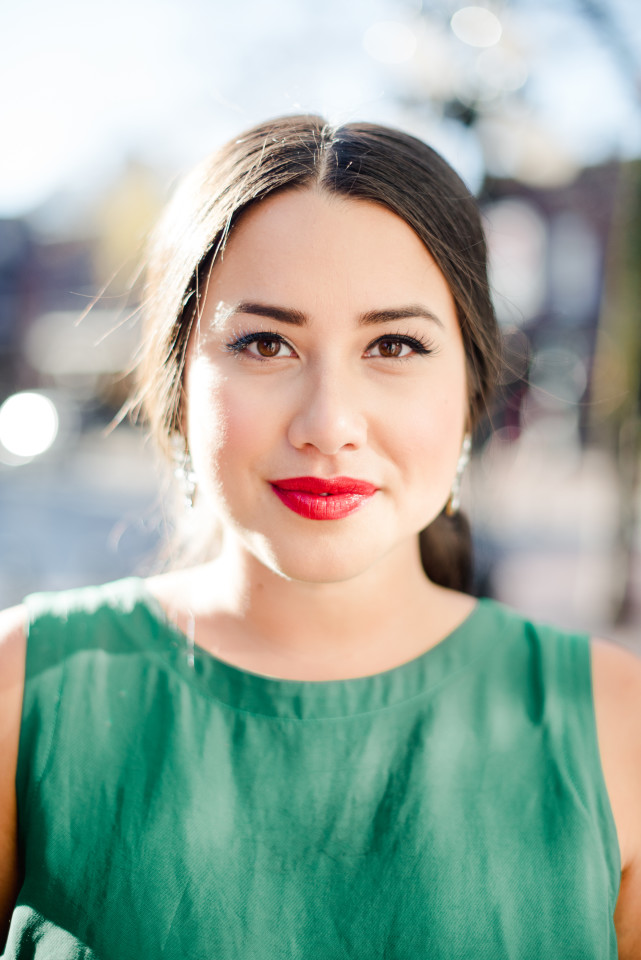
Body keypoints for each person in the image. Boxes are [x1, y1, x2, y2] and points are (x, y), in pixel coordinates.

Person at [0, 114, 640, 959]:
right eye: (265, 343)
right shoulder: (29, 691)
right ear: (175, 386)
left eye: (394, 344)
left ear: (470, 393)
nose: (329, 423)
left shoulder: (612, 723)